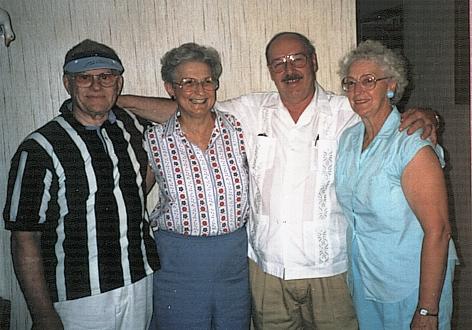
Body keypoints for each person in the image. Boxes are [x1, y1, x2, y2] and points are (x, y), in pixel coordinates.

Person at [118, 32, 439, 329]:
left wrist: (427, 114)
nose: (289, 69)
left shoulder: (347, 110)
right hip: (266, 271)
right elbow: (192, 111)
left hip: (329, 272)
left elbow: (386, 114)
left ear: (313, 62)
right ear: (271, 71)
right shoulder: (251, 110)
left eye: (297, 59)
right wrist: (118, 100)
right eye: (278, 63)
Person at [3, 39, 159, 330]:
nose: (96, 86)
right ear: (67, 83)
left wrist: (117, 101)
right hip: (78, 297)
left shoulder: (132, 126)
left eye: (105, 78)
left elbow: (184, 113)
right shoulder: (39, 148)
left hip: (139, 279)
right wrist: (42, 314)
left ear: (119, 82)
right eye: (84, 78)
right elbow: (24, 238)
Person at [335, 40, 458, 330]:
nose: (357, 91)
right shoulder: (349, 139)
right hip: (366, 278)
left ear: (390, 86)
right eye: (350, 83)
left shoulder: (410, 143)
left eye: (368, 81)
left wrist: (427, 310)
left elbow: (438, 231)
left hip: (411, 286)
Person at [145, 42, 250, 329]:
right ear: (170, 88)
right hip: (178, 262)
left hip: (235, 261)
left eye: (207, 82)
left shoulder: (240, 131)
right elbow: (133, 196)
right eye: (187, 82)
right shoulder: (153, 140)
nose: (199, 91)